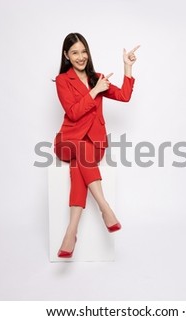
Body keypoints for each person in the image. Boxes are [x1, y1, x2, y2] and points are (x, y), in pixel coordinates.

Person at [53, 33, 139, 258]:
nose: (80, 57)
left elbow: (124, 96)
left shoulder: (97, 77)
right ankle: (105, 207)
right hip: (68, 141)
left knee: (79, 165)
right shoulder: (63, 80)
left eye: (83, 51)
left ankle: (71, 232)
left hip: (94, 144)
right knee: (80, 151)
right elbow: (72, 113)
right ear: (66, 56)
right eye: (74, 53)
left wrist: (127, 67)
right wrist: (94, 91)